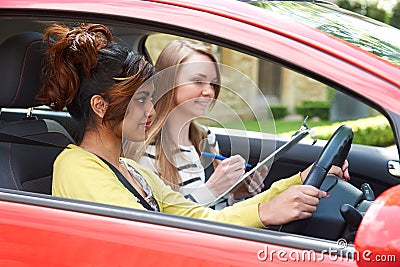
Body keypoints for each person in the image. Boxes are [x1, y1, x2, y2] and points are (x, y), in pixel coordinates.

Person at [38, 23, 348, 229]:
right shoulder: (75, 166)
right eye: (141, 100)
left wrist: (297, 181)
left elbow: (203, 219)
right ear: (100, 107)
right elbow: (146, 241)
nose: (151, 108)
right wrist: (265, 212)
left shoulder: (134, 171)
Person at [135, 40, 349, 207]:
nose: (209, 91)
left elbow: (217, 214)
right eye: (198, 81)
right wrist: (214, 188)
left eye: (213, 83)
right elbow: (161, 222)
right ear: (167, 82)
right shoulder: (146, 150)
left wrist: (235, 194)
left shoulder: (205, 138)